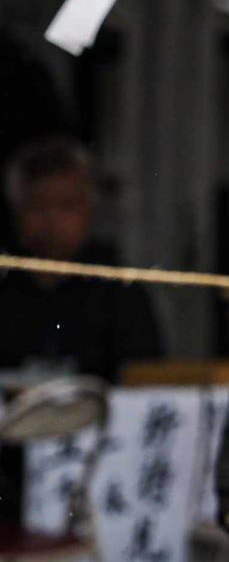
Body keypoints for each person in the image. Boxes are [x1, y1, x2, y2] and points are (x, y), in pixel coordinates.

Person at [0, 136, 162, 520]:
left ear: (90, 210)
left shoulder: (118, 287)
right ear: (17, 212)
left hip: (98, 464)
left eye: (67, 205)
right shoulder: (5, 283)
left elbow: (146, 381)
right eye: (38, 206)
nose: (52, 219)